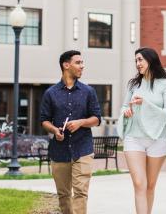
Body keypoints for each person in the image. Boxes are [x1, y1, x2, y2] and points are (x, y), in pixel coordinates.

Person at [40, 50, 102, 214]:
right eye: (78, 63)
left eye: (82, 63)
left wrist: (81, 122)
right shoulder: (50, 93)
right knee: (64, 194)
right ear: (66, 65)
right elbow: (44, 120)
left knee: (81, 192)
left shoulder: (89, 92)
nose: (82, 66)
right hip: (59, 151)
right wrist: (54, 130)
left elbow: (96, 118)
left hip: (83, 149)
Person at [117, 47, 166, 214]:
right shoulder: (134, 84)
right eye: (135, 60)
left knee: (149, 186)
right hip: (133, 138)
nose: (137, 63)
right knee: (139, 184)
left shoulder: (165, 84)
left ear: (151, 60)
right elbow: (124, 106)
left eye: (140, 59)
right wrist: (125, 112)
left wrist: (145, 103)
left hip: (158, 139)